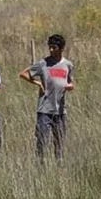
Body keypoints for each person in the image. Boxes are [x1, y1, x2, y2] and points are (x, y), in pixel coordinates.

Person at [19, 34, 75, 163]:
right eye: (49, 47)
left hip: (60, 111)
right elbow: (23, 73)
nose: (51, 50)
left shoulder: (68, 65)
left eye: (54, 47)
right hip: (44, 109)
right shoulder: (43, 63)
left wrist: (70, 86)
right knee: (42, 141)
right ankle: (40, 165)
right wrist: (38, 83)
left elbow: (71, 82)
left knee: (59, 141)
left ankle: (59, 164)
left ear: (61, 48)